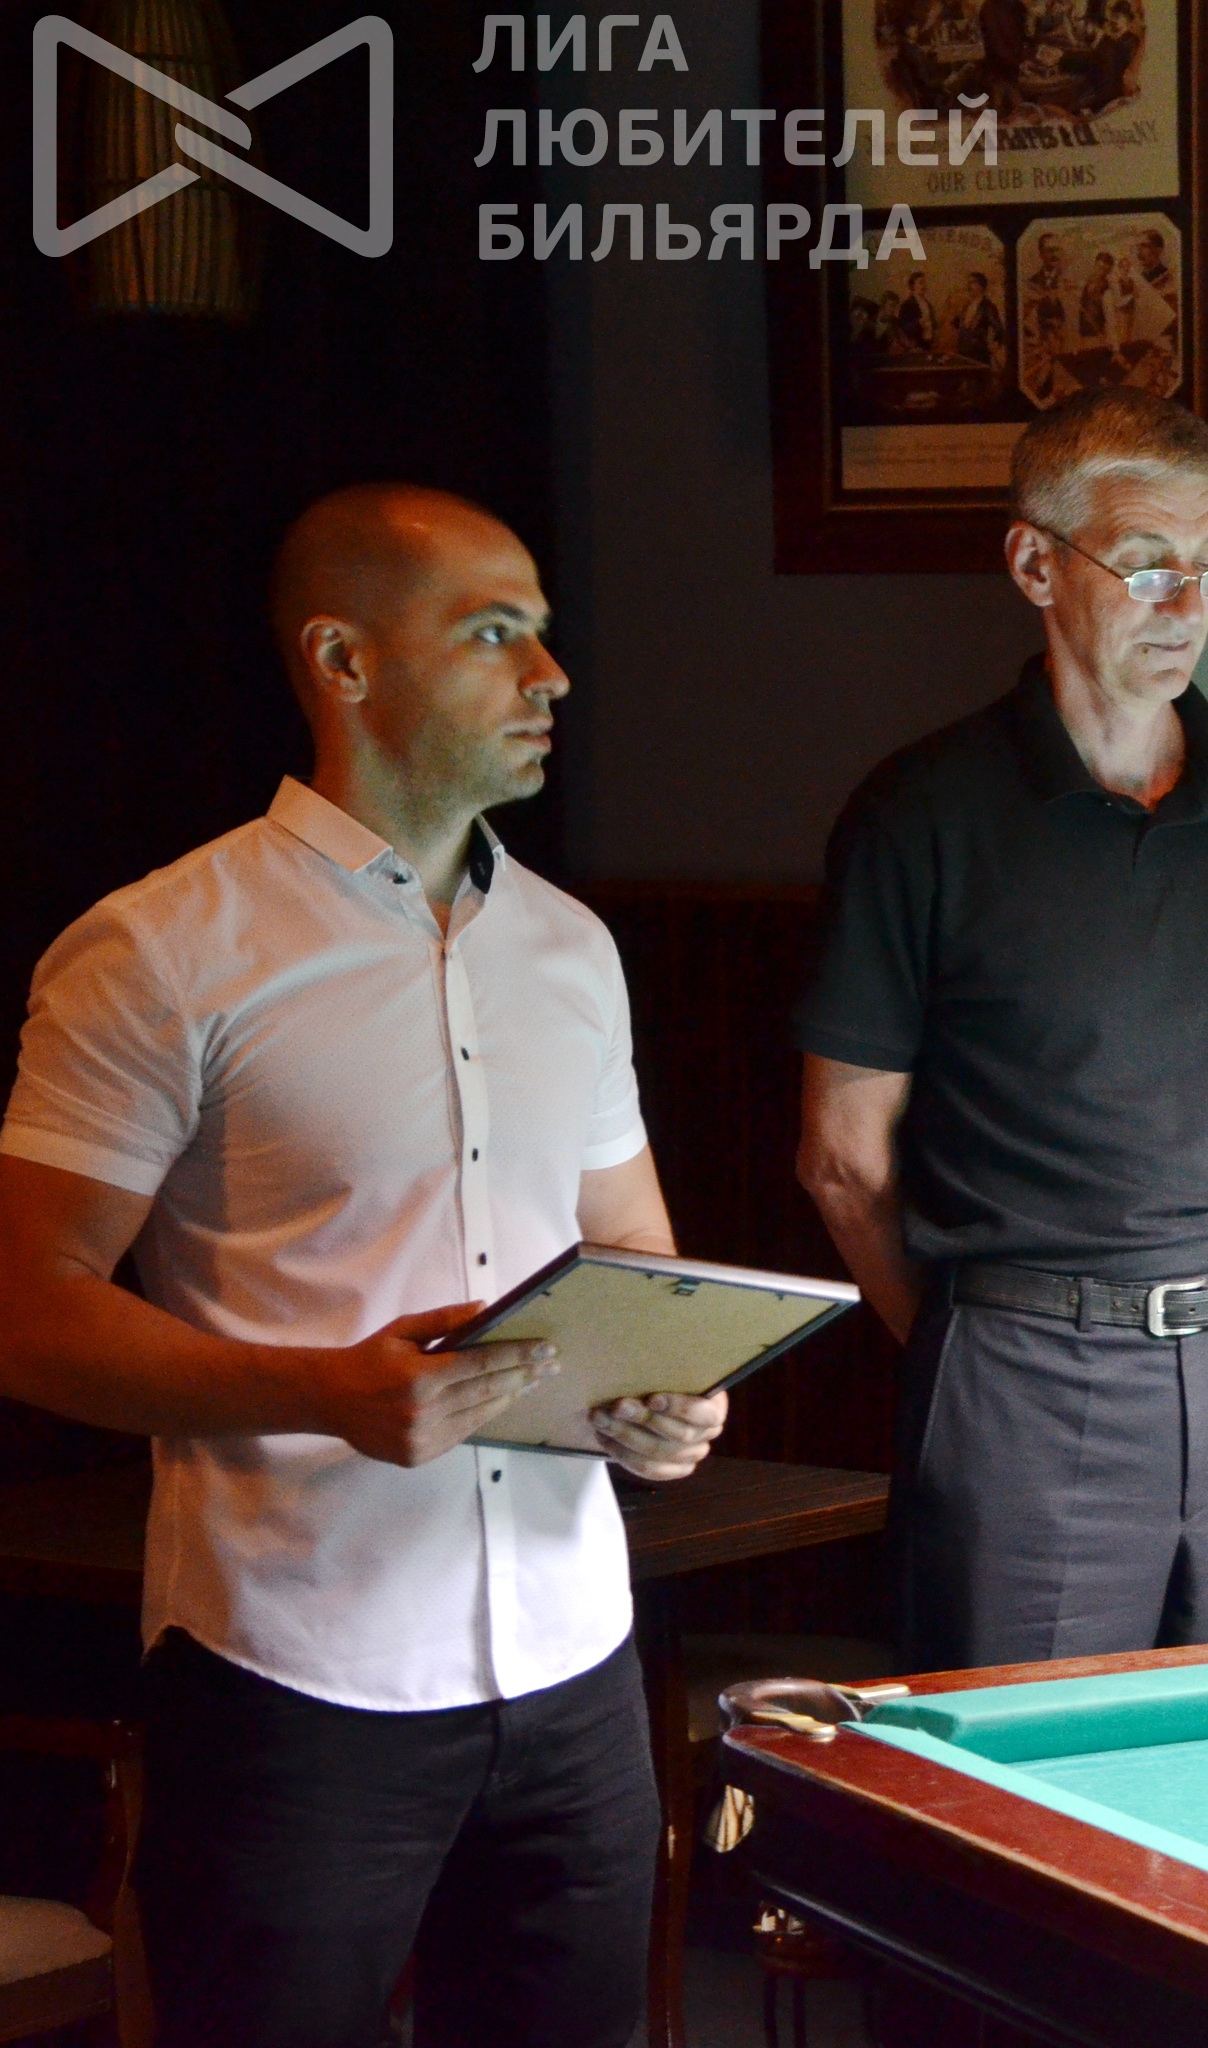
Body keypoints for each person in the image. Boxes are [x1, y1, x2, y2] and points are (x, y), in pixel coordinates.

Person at [0, 483, 727, 2048]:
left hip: (576, 1662)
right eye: (495, 634)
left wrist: (671, 1393)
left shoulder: (572, 948)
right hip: (296, 1678)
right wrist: (323, 1392)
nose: (552, 677)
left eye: (542, 632)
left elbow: (633, 1254)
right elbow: (29, 1314)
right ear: (344, 661)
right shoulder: (161, 948)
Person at [795, 388, 1208, 1671]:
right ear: (1035, 563)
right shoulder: (920, 812)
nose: (1186, 604)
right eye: (1147, 564)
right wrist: (983, 1340)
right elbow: (841, 1158)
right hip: (1025, 1368)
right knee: (1023, 1760)